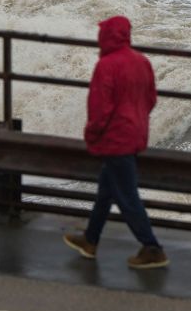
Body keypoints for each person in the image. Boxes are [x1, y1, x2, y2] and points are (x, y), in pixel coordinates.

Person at [63, 15, 169, 269]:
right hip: (134, 133)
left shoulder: (107, 65)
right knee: (106, 191)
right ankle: (90, 240)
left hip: (115, 137)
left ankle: (152, 247)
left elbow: (100, 108)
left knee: (126, 196)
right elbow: (151, 99)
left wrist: (92, 134)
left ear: (106, 36)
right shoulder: (142, 61)